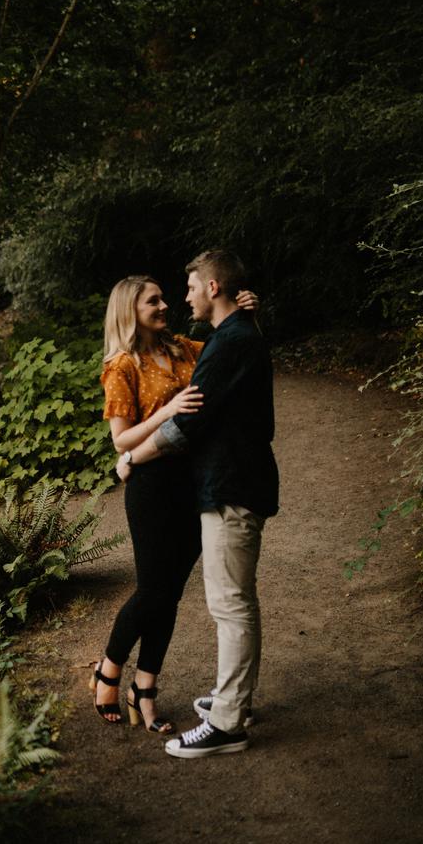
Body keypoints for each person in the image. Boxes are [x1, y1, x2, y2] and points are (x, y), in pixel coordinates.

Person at [116, 250, 279, 758]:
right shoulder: (229, 336)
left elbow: (188, 422)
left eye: (187, 287)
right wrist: (250, 308)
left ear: (212, 288)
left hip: (228, 484)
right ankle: (232, 700)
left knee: (229, 606)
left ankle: (228, 722)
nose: (179, 297)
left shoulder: (223, 343)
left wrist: (133, 458)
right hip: (219, 484)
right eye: (161, 296)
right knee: (231, 603)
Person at [90, 274, 258, 733]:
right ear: (130, 309)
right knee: (153, 590)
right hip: (151, 483)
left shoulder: (185, 347)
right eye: (154, 300)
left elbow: (231, 352)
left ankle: (145, 686)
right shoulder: (121, 365)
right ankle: (108, 667)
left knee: (172, 594)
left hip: (195, 482)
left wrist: (244, 311)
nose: (165, 305)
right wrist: (165, 412)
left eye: (165, 297)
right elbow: (121, 440)